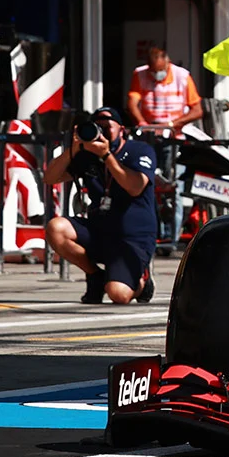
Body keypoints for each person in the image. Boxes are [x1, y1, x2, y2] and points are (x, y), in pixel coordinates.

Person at [43, 107, 158, 304]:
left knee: (118, 295)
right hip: (100, 231)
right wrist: (73, 149)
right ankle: (95, 275)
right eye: (98, 127)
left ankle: (142, 283)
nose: (102, 133)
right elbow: (50, 178)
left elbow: (135, 187)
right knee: (56, 228)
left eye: (107, 127)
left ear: (122, 129)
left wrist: (107, 157)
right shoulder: (86, 155)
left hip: (132, 238)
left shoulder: (139, 150)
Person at [127, 46, 204, 137]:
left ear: (168, 62)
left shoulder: (182, 76)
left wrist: (170, 125)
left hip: (174, 132)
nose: (157, 74)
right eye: (153, 71)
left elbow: (197, 111)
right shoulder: (140, 74)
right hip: (149, 131)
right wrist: (142, 123)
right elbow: (132, 104)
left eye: (161, 70)